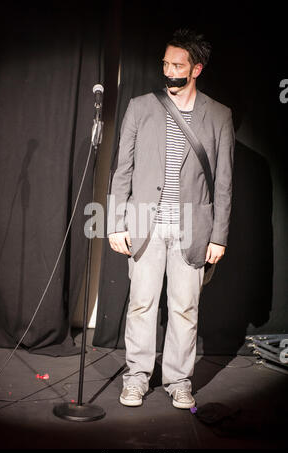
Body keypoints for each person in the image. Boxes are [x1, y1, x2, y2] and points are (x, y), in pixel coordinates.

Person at [107, 29, 235, 409]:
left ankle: (179, 380)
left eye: (177, 65)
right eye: (165, 63)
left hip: (193, 229)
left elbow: (225, 183)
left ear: (196, 69)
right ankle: (136, 378)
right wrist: (116, 222)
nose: (169, 70)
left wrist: (219, 235)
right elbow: (122, 170)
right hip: (146, 222)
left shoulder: (219, 115)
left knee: (184, 307)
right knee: (141, 304)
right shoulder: (140, 106)